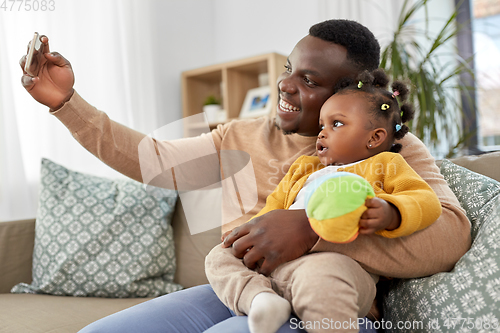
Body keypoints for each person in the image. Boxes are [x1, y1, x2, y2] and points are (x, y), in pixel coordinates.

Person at [20, 19, 470, 333]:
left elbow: (451, 233)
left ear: (350, 93)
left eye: (309, 81)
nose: (286, 86)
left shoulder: (387, 145)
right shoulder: (239, 135)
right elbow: (152, 159)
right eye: (289, 69)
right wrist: (66, 103)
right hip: (245, 291)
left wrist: (313, 229)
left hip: (326, 303)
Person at [205, 69, 442, 333]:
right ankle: (260, 301)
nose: (322, 133)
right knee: (218, 256)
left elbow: (424, 199)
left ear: (375, 137)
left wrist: (392, 212)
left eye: (336, 124)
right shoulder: (304, 168)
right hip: (274, 269)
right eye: (321, 126)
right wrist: (249, 237)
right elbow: (273, 211)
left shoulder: (386, 164)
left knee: (323, 279)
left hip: (335, 265)